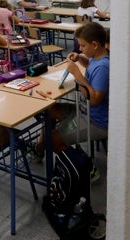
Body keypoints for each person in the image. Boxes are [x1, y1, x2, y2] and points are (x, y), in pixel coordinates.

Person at [34, 22, 109, 181]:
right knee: (50, 110)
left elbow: (94, 100)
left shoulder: (104, 67)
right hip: (84, 110)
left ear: (94, 45)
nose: (80, 49)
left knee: (52, 140)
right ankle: (39, 149)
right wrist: (80, 59)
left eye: (82, 46)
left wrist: (77, 75)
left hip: (96, 121)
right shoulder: (97, 57)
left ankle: (86, 167)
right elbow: (91, 65)